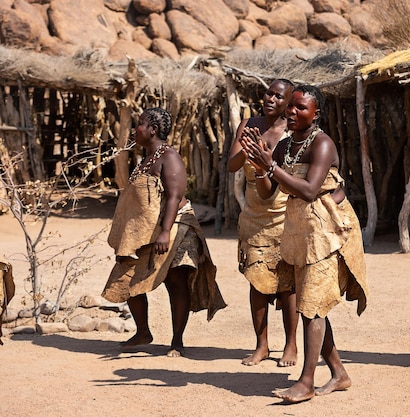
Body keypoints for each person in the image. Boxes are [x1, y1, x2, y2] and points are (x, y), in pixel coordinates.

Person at [241, 84, 369, 403]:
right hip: (297, 230)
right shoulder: (285, 146)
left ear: (316, 114)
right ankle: (339, 373)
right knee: (313, 305)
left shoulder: (322, 144)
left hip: (325, 231)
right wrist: (261, 169)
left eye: (301, 108)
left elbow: (311, 190)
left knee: (311, 306)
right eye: (292, 107)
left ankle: (307, 381)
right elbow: (270, 193)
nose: (293, 112)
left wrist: (270, 166)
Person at [103, 107, 226, 357]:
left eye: (140, 124)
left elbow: (174, 197)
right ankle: (143, 332)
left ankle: (177, 341)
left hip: (175, 229)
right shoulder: (145, 159)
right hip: (147, 232)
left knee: (175, 282)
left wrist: (165, 232)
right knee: (128, 279)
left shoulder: (169, 157)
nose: (135, 128)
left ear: (153, 130)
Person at [227, 79, 299, 367]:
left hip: (284, 214)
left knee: (287, 284)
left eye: (278, 96)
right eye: (268, 92)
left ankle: (291, 345)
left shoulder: (292, 131)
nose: (270, 98)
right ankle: (262, 345)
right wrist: (249, 149)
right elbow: (232, 165)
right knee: (256, 282)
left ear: (288, 102)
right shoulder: (248, 124)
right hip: (254, 216)